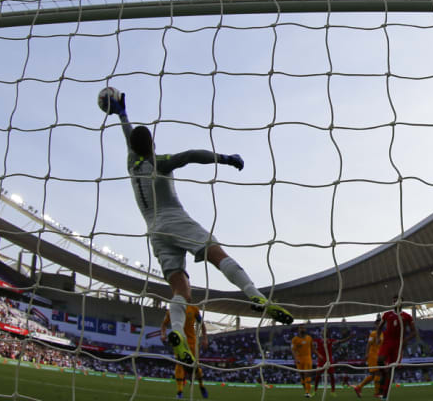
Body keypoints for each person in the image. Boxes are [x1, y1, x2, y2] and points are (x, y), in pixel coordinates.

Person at [103, 91, 293, 366]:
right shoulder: (161, 161)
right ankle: (256, 296)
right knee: (216, 253)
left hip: (153, 231)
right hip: (175, 219)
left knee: (181, 290)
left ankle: (177, 332)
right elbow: (191, 155)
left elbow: (130, 136)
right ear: (153, 143)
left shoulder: (132, 164)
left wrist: (122, 115)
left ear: (133, 146)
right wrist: (224, 158)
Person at [161, 305, 209, 399]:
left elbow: (202, 324)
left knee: (195, 365)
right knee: (179, 365)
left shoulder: (194, 309)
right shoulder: (172, 309)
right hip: (179, 342)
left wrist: (205, 338)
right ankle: (179, 391)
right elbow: (164, 324)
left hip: (192, 343)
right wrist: (163, 334)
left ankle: (201, 386)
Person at [376, 295, 418, 399]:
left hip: (398, 344)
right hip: (387, 341)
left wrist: (405, 340)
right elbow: (380, 327)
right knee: (379, 360)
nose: (395, 302)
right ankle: (384, 374)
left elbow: (414, 332)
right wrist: (377, 337)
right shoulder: (386, 315)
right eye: (394, 301)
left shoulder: (407, 316)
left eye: (397, 301)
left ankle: (385, 395)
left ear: (402, 303)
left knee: (392, 369)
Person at [313, 328, 353, 396]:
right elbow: (312, 347)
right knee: (317, 375)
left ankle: (333, 391)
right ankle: (315, 391)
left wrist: (349, 337)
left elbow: (341, 341)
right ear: (321, 333)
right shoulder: (318, 340)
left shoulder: (330, 340)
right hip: (321, 360)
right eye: (323, 331)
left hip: (329, 360)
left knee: (331, 375)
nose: (324, 332)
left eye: (325, 331)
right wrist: (318, 355)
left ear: (327, 333)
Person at [353, 317, 383, 398]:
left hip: (379, 356)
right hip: (373, 356)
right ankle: (377, 393)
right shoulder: (373, 333)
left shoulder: (383, 334)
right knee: (378, 373)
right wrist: (366, 354)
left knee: (373, 375)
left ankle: (358, 387)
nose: (379, 324)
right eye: (378, 323)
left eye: (381, 323)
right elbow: (368, 344)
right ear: (376, 325)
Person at [291, 325, 314, 397]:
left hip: (308, 358)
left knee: (307, 374)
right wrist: (296, 358)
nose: (302, 329)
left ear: (305, 329)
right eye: (300, 328)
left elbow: (312, 347)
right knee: (302, 376)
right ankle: (306, 389)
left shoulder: (309, 338)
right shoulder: (295, 339)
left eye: (303, 328)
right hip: (299, 359)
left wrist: (318, 355)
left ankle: (307, 392)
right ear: (298, 330)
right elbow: (293, 350)